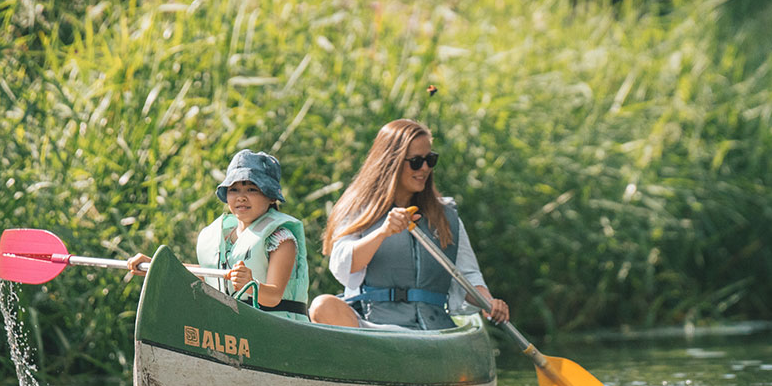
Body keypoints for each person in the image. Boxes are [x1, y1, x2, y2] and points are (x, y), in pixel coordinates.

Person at [309, 119, 510, 329]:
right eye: (415, 161)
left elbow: (468, 275)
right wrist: (382, 232)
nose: (424, 168)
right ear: (391, 161)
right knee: (322, 305)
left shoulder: (446, 216)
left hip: (433, 328)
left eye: (430, 160)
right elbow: (343, 266)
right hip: (375, 325)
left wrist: (489, 302)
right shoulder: (357, 208)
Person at [126, 150, 310, 321]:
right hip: (236, 324)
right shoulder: (225, 238)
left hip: (274, 324)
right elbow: (209, 276)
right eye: (234, 189)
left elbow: (274, 296)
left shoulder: (280, 238)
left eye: (252, 189)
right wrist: (157, 266)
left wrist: (251, 283)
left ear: (271, 197)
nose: (241, 197)